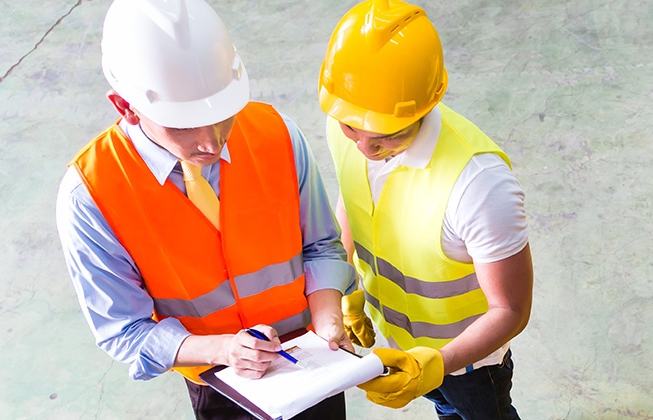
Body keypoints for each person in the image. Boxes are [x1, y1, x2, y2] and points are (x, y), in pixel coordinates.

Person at [55, 0, 355, 418]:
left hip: (313, 362)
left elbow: (321, 245)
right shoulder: (91, 194)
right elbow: (123, 329)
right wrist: (225, 350)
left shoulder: (276, 135)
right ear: (125, 107)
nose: (212, 143)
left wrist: (327, 320)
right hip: (220, 384)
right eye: (183, 125)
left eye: (222, 117)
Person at [319, 1, 534, 419]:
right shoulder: (346, 117)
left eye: (388, 135)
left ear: (424, 105)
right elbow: (354, 195)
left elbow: (510, 310)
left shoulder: (478, 184)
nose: (363, 147)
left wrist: (433, 367)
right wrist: (348, 286)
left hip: (470, 361)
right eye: (352, 128)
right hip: (400, 342)